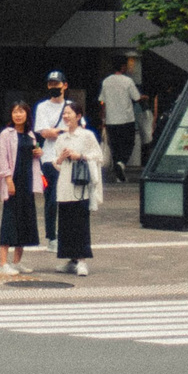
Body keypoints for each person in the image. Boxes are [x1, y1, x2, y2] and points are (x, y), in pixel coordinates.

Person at [49, 102, 105, 276]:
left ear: (78, 116)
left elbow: (99, 156)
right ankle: (71, 260)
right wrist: (61, 158)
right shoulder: (61, 138)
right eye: (64, 113)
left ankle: (82, 261)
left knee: (80, 224)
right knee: (65, 225)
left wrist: (80, 156)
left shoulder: (87, 135)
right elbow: (56, 163)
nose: (66, 116)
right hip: (65, 185)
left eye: (69, 113)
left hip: (81, 187)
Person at [0, 96, 43, 276]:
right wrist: (8, 179)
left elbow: (33, 157)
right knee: (9, 220)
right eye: (15, 112)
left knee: (24, 220)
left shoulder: (31, 135)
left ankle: (17, 262)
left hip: (27, 182)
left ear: (27, 114)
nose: (18, 115)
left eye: (21, 111)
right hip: (13, 181)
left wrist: (38, 153)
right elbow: (2, 157)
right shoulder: (6, 134)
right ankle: (3, 263)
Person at [32, 69, 72, 251]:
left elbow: (78, 129)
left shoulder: (71, 105)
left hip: (69, 158)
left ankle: (66, 234)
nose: (53, 87)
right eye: (51, 84)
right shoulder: (42, 107)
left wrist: (57, 132)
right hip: (49, 159)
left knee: (69, 198)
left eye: (57, 84)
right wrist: (63, 131)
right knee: (52, 198)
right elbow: (44, 132)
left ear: (65, 85)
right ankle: (51, 237)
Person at [99, 55, 141, 183]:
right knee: (129, 143)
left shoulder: (106, 81)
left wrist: (103, 119)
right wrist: (145, 98)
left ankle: (119, 173)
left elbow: (102, 102)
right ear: (123, 67)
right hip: (126, 119)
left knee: (115, 146)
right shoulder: (128, 81)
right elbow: (137, 97)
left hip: (111, 120)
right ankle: (121, 164)